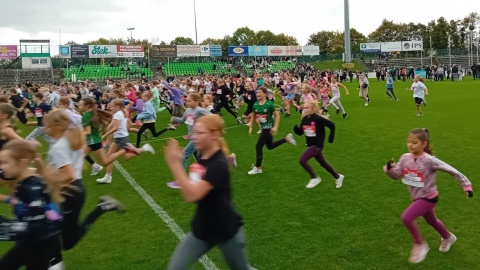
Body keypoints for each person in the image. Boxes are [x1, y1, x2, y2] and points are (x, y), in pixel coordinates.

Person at [164, 114, 256, 270]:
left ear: (215, 134)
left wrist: (175, 165)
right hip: (203, 229)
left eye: (200, 133)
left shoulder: (219, 165)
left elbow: (192, 195)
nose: (194, 136)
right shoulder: (203, 155)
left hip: (226, 230)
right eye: (194, 132)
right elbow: (194, 187)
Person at [384, 128, 473, 264]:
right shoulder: (405, 158)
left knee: (406, 218)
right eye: (409, 142)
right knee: (432, 221)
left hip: (429, 198)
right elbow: (397, 175)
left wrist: (466, 185)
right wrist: (389, 169)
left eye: (414, 142)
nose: (410, 145)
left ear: (424, 144)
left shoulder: (429, 160)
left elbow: (451, 170)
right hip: (417, 197)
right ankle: (448, 237)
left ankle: (419, 244)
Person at [43, 109, 125, 251]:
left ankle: (102, 207)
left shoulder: (58, 148)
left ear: (56, 126)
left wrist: (50, 184)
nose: (44, 128)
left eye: (47, 125)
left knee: (67, 242)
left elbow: (68, 175)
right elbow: (80, 168)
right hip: (74, 190)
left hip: (70, 193)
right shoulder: (69, 141)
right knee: (54, 228)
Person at [0, 140, 63, 269]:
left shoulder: (31, 187)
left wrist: (6, 228)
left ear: (22, 162)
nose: (1, 167)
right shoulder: (24, 180)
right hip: (27, 245)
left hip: (36, 248)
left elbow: (36, 226)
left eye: (5, 162)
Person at [293, 101, 344, 189]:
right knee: (323, 164)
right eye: (304, 108)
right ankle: (338, 177)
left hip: (317, 145)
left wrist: (331, 137)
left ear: (313, 109)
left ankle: (314, 178)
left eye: (307, 108)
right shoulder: (305, 119)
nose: (305, 109)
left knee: (302, 160)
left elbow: (332, 125)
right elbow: (301, 132)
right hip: (310, 145)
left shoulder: (317, 119)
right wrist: (296, 129)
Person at [248, 87, 297, 175]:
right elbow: (253, 115)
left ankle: (258, 168)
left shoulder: (269, 104)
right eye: (257, 93)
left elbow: (277, 115)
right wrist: (251, 126)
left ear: (265, 94)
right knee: (270, 146)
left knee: (258, 146)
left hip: (268, 128)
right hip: (264, 128)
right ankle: (287, 139)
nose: (258, 94)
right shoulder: (255, 105)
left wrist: (275, 127)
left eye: (259, 92)